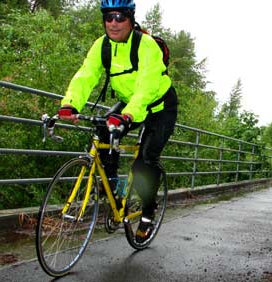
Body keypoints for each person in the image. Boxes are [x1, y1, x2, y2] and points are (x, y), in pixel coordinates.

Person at [58, 0, 178, 243]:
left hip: (159, 106)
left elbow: (146, 87)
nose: (113, 23)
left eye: (120, 17)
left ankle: (147, 214)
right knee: (103, 129)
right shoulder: (101, 45)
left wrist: (128, 115)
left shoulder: (146, 45)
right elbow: (86, 75)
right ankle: (111, 188)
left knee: (144, 162)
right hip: (128, 102)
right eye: (108, 16)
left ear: (131, 19)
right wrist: (70, 104)